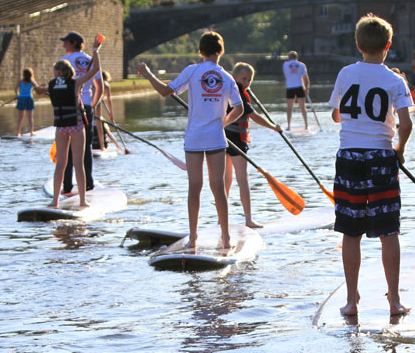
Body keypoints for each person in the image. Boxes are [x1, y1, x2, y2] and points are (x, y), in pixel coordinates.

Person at [329, 13, 414, 317]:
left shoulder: (344, 74)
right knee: (388, 232)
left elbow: (337, 115)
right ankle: (393, 301)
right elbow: (405, 125)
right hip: (381, 157)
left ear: (357, 43)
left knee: (350, 233)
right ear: (388, 45)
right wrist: (399, 150)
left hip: (349, 157)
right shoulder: (395, 80)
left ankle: (352, 302)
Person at [137, 31, 243, 249]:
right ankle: (226, 238)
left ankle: (193, 238)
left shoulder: (192, 71)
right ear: (220, 52)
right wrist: (223, 122)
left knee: (194, 187)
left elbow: (166, 91)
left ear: (201, 51)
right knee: (218, 188)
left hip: (194, 137)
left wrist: (148, 74)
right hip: (216, 137)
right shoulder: (228, 77)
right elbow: (240, 108)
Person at [35, 35, 103, 208]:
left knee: (61, 165)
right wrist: (95, 51)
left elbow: (38, 90)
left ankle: (55, 201)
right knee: (78, 164)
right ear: (68, 72)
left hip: (61, 129)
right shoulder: (75, 84)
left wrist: (34, 85)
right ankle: (82, 200)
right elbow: (95, 70)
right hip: (76, 126)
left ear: (57, 72)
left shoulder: (51, 85)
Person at [223, 62, 282, 228]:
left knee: (226, 179)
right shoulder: (239, 94)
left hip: (224, 138)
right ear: (234, 77)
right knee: (241, 178)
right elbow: (254, 116)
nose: (247, 83)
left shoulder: (229, 90)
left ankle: (223, 219)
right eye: (244, 79)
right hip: (235, 139)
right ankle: (248, 219)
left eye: (249, 80)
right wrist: (273, 127)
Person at [59, 31, 103, 193]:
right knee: (86, 147)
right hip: (86, 108)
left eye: (65, 42)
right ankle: (89, 184)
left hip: (68, 108)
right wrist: (91, 106)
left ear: (72, 43)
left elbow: (59, 87)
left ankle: (67, 185)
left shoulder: (64, 61)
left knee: (67, 147)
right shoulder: (91, 60)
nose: (63, 45)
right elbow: (100, 88)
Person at [93, 70, 121, 152]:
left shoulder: (92, 82)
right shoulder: (106, 85)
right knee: (100, 126)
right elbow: (109, 100)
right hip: (97, 105)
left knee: (101, 125)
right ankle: (103, 147)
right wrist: (111, 113)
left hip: (89, 104)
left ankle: (116, 145)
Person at [282, 51, 310, 131]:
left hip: (290, 87)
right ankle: (306, 125)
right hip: (299, 87)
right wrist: (307, 88)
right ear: (296, 57)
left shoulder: (285, 65)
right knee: (302, 107)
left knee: (289, 107)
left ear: (289, 57)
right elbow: (306, 78)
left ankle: (289, 126)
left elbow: (286, 75)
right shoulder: (301, 65)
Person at [14, 68, 40, 136]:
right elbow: (37, 88)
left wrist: (17, 95)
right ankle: (31, 132)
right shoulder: (32, 81)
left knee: (20, 117)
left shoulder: (20, 81)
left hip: (21, 99)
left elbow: (15, 89)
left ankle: (18, 133)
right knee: (30, 117)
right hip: (29, 98)